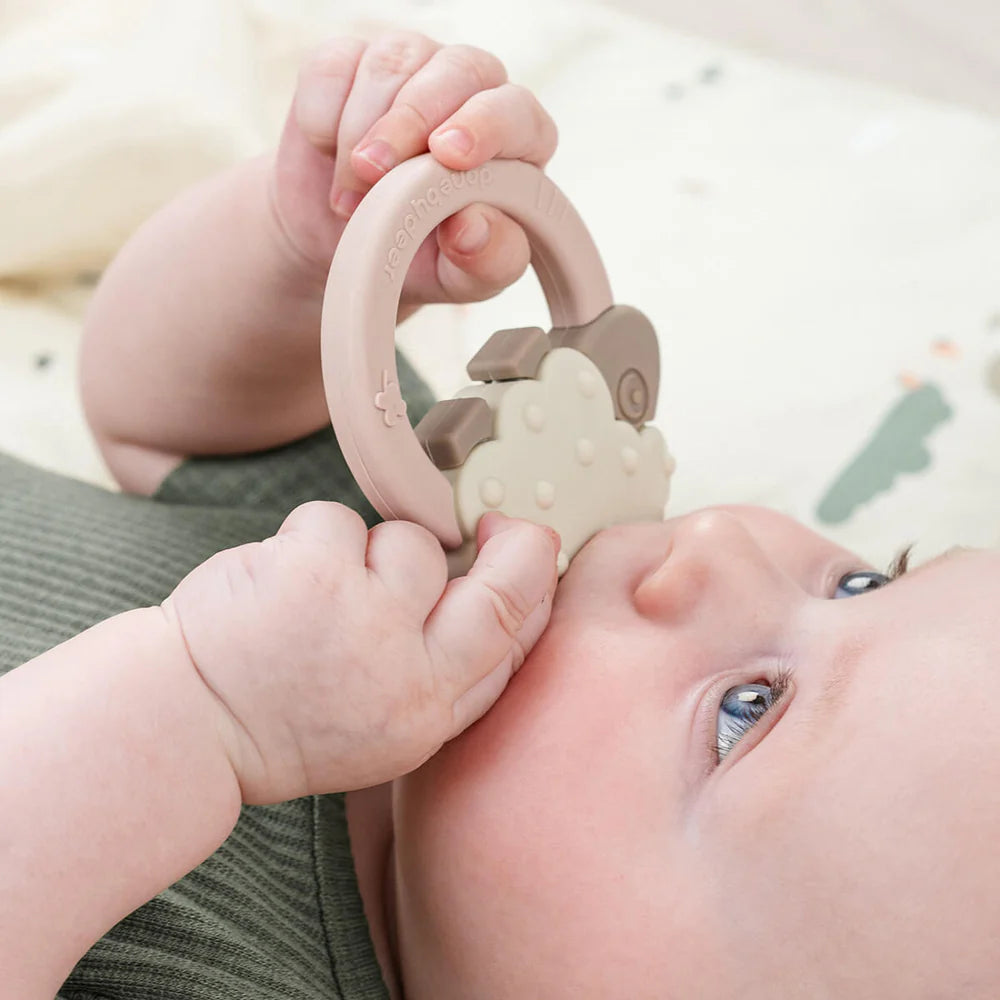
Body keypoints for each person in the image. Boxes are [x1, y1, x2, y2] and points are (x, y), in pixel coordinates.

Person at [2, 28, 999, 1000]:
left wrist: (199, 713)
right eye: (864, 580)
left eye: (747, 707)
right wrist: (310, 250)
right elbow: (173, 420)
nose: (719, 539)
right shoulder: (413, 576)